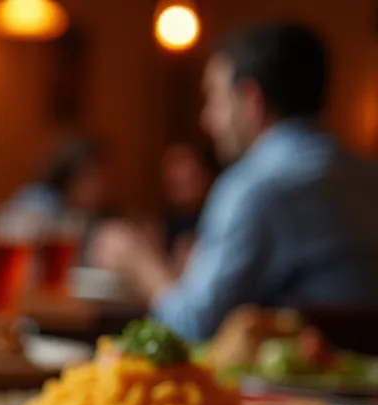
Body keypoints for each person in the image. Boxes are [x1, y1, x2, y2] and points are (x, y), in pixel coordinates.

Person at [90, 22, 378, 341]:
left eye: (215, 99)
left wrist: (140, 262)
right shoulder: (366, 174)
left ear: (253, 101)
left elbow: (193, 328)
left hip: (288, 389)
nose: (207, 118)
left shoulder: (257, 185)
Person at [7, 137, 113, 227]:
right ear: (69, 177)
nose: (102, 187)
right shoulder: (39, 202)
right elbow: (15, 239)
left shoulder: (91, 213)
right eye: (93, 178)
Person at [159, 142, 218, 271]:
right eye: (175, 183)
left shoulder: (218, 217)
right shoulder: (162, 226)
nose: (181, 189)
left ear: (204, 176)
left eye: (188, 180)